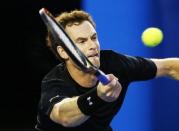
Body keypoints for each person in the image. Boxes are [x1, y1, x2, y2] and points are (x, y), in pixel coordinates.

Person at [35, 10, 179, 131]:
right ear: (63, 52)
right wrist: (98, 97)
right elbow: (64, 116)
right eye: (82, 41)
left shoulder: (115, 64)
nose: (93, 46)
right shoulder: (54, 82)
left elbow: (170, 67)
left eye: (94, 38)